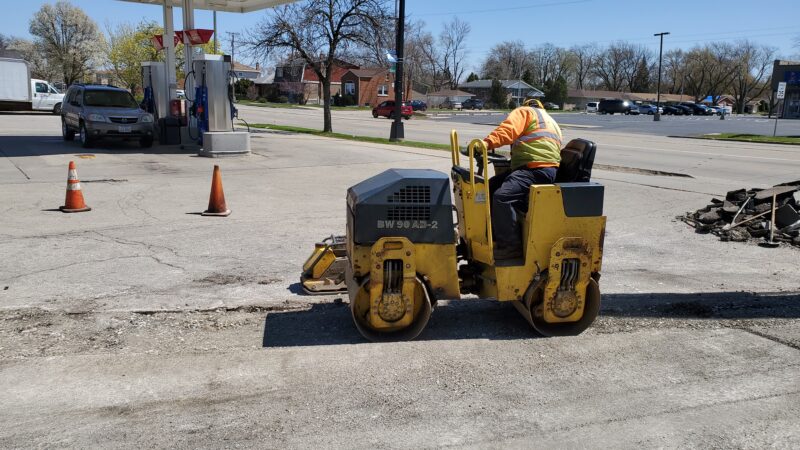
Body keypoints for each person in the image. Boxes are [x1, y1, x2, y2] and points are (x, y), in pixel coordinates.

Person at [483, 98, 563, 261]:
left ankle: (510, 247)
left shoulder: (525, 112)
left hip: (534, 168)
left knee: (502, 197)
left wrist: (486, 143)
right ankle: (493, 236)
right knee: (490, 187)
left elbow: (508, 131)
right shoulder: (551, 121)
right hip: (547, 169)